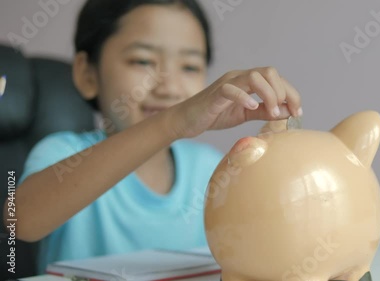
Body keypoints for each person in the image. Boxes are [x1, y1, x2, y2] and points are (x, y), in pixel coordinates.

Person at [4, 0, 302, 273]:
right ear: (87, 75)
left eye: (189, 66)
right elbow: (20, 221)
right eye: (143, 61)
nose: (168, 87)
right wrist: (170, 122)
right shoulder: (61, 152)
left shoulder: (210, 167)